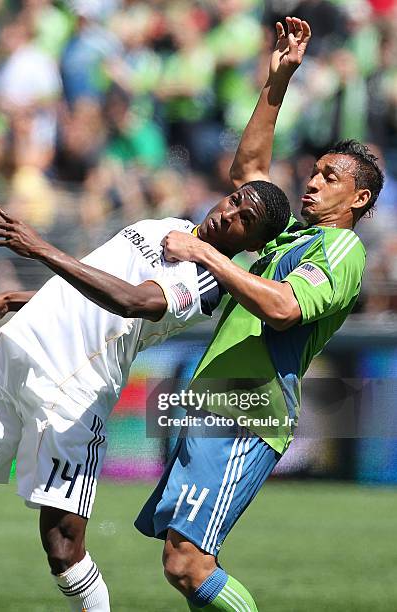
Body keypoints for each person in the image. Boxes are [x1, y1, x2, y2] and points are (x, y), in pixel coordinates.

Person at [0, 180, 290, 612]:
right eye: (234, 201)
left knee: (62, 548)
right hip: (15, 352)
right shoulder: (167, 225)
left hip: (72, 389)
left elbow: (129, 300)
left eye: (245, 221)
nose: (229, 215)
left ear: (254, 243)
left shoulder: (206, 286)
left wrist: (41, 248)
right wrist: (13, 300)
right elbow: (84, 294)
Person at [134, 17, 384, 612]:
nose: (313, 182)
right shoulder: (291, 238)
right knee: (182, 561)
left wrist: (202, 254)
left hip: (249, 410)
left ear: (361, 199)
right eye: (316, 171)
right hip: (217, 400)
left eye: (331, 177)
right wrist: (279, 81)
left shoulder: (341, 249)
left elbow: (284, 307)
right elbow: (248, 172)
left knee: (190, 562)